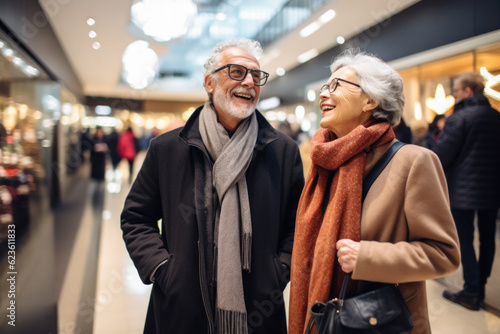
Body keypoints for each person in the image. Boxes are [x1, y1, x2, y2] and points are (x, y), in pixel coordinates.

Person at [120, 37, 304, 334]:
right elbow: (135, 217)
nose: (248, 82)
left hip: (258, 308)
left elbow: (299, 225)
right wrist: (164, 270)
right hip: (182, 310)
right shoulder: (168, 149)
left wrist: (278, 270)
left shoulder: (281, 151)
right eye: (236, 72)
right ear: (209, 83)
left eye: (256, 75)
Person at [288, 50, 460, 334]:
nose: (323, 95)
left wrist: (366, 257)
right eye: (325, 86)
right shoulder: (324, 161)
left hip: (378, 321)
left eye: (336, 86)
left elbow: (443, 254)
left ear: (370, 100)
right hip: (325, 317)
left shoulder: (414, 161)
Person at [434, 71, 500, 310]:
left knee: (465, 239)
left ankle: (471, 290)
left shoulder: (458, 118)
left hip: (463, 192)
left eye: (456, 90)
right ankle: (480, 286)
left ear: (468, 92)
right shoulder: (496, 116)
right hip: (492, 190)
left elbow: (443, 156)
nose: (454, 94)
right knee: (487, 239)